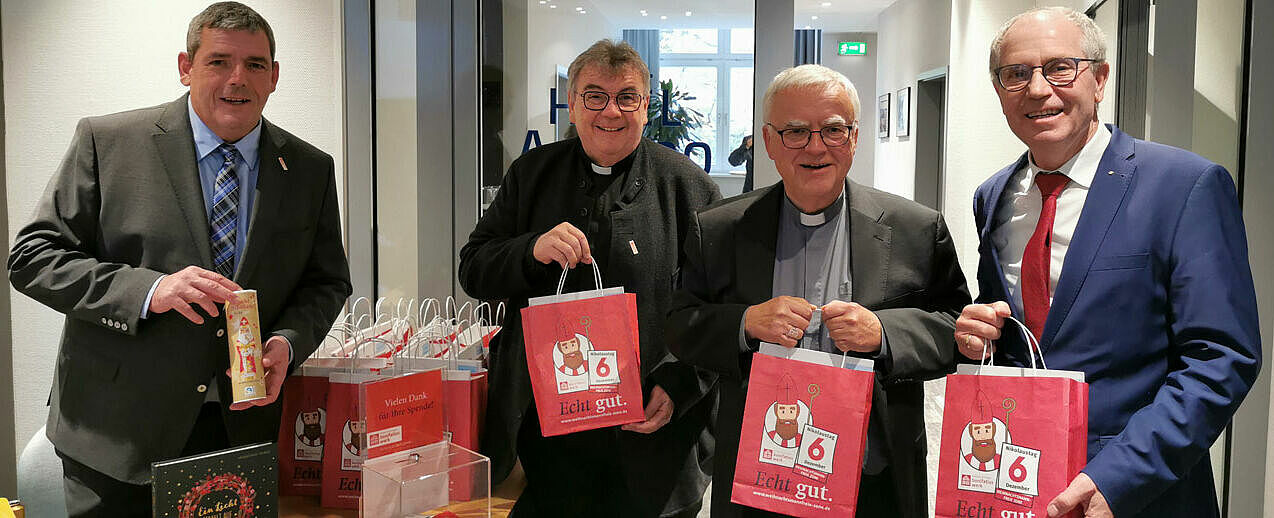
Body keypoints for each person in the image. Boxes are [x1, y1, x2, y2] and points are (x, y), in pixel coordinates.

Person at [6, 3, 352, 515]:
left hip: (239, 430)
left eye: (255, 64)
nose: (238, 79)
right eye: (218, 62)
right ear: (185, 67)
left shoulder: (308, 168)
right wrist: (148, 291)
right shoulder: (108, 142)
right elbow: (33, 257)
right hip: (116, 435)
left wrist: (287, 342)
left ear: (274, 76)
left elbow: (325, 283)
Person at [953, 7, 1260, 518]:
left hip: (1139, 493)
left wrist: (1118, 476)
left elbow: (1221, 357)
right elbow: (1024, 337)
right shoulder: (994, 196)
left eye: (1060, 67)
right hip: (1016, 479)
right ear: (1000, 90)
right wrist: (977, 337)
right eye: (1016, 73)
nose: (1037, 89)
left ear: (1099, 79)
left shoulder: (1184, 186)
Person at [666, 64, 970, 518]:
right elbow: (680, 325)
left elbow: (956, 330)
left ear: (854, 138)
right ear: (767, 141)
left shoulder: (916, 228)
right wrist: (745, 323)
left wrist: (884, 333)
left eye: (832, 130)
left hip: (874, 471)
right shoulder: (719, 229)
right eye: (795, 131)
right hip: (763, 465)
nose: (815, 147)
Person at [458, 39, 721, 517]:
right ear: (573, 105)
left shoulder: (688, 186)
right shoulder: (532, 174)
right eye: (594, 95)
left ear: (646, 107)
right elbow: (474, 267)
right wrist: (531, 249)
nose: (610, 111)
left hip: (652, 433)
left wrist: (680, 383)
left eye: (627, 97)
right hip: (549, 435)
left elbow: (717, 306)